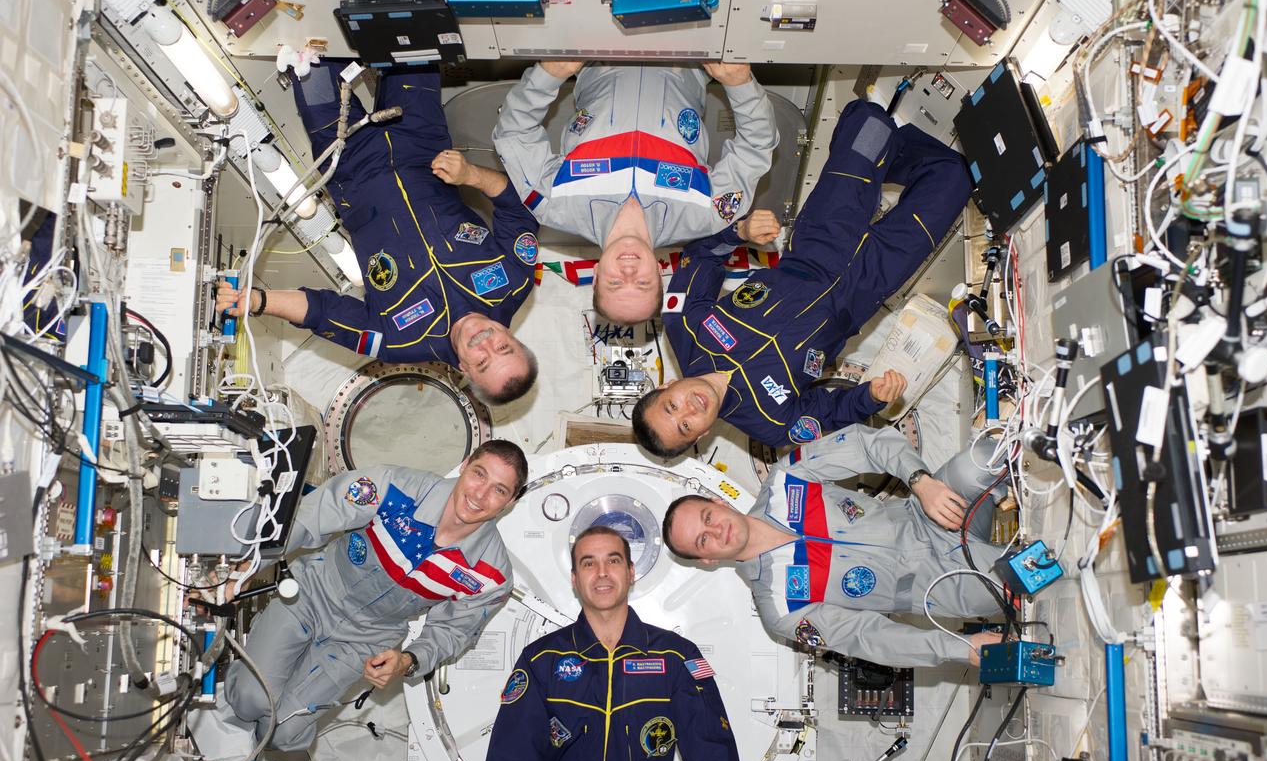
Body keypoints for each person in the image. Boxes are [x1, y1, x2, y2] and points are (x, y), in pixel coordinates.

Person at [631, 98, 971, 454]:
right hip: (868, 284)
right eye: (685, 425)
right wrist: (870, 397)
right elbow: (830, 413)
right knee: (954, 177)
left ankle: (875, 162)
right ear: (700, 436)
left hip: (820, 241)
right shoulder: (772, 425)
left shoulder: (683, 323)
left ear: (665, 386)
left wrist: (739, 233)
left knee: (869, 120)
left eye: (671, 405)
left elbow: (699, 257)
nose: (689, 409)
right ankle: (878, 167)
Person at [217, 60, 539, 405]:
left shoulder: (397, 342)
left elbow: (321, 312)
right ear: (514, 338)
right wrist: (471, 175)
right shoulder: (516, 280)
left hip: (348, 161)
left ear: (463, 369)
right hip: (422, 138)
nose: (486, 343)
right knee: (405, 29)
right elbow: (517, 211)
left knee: (312, 53)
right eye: (503, 347)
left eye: (483, 362)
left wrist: (256, 301)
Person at [223, 440, 528, 752]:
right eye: (479, 474)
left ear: (511, 501)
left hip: (364, 640)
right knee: (249, 699)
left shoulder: (490, 575)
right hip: (311, 596)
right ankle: (230, 717)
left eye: (499, 490)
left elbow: (453, 631)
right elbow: (313, 515)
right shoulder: (395, 489)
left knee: (281, 734)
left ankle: (242, 759)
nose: (480, 494)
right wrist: (248, 566)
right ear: (464, 465)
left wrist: (408, 660)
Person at [661, 423, 1010, 668]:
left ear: (719, 503)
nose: (716, 530)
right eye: (703, 540)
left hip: (931, 511)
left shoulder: (787, 480)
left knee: (988, 455)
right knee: (1026, 577)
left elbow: (864, 444)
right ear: (706, 559)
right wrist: (959, 647)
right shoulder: (782, 609)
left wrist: (920, 482)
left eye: (708, 517)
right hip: (941, 582)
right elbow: (871, 639)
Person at [493, 61, 781, 324]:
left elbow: (513, 136)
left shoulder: (553, 205)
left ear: (595, 278)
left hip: (595, 51)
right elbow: (754, 150)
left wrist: (548, 76)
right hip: (690, 54)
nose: (628, 273)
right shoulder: (705, 215)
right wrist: (740, 85)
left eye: (615, 283)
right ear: (658, 274)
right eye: (642, 283)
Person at [478, 526, 746, 761]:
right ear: (575, 579)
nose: (602, 572)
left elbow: (712, 758)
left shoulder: (676, 656)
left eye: (613, 560)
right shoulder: (541, 660)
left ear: (631, 572)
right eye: (589, 563)